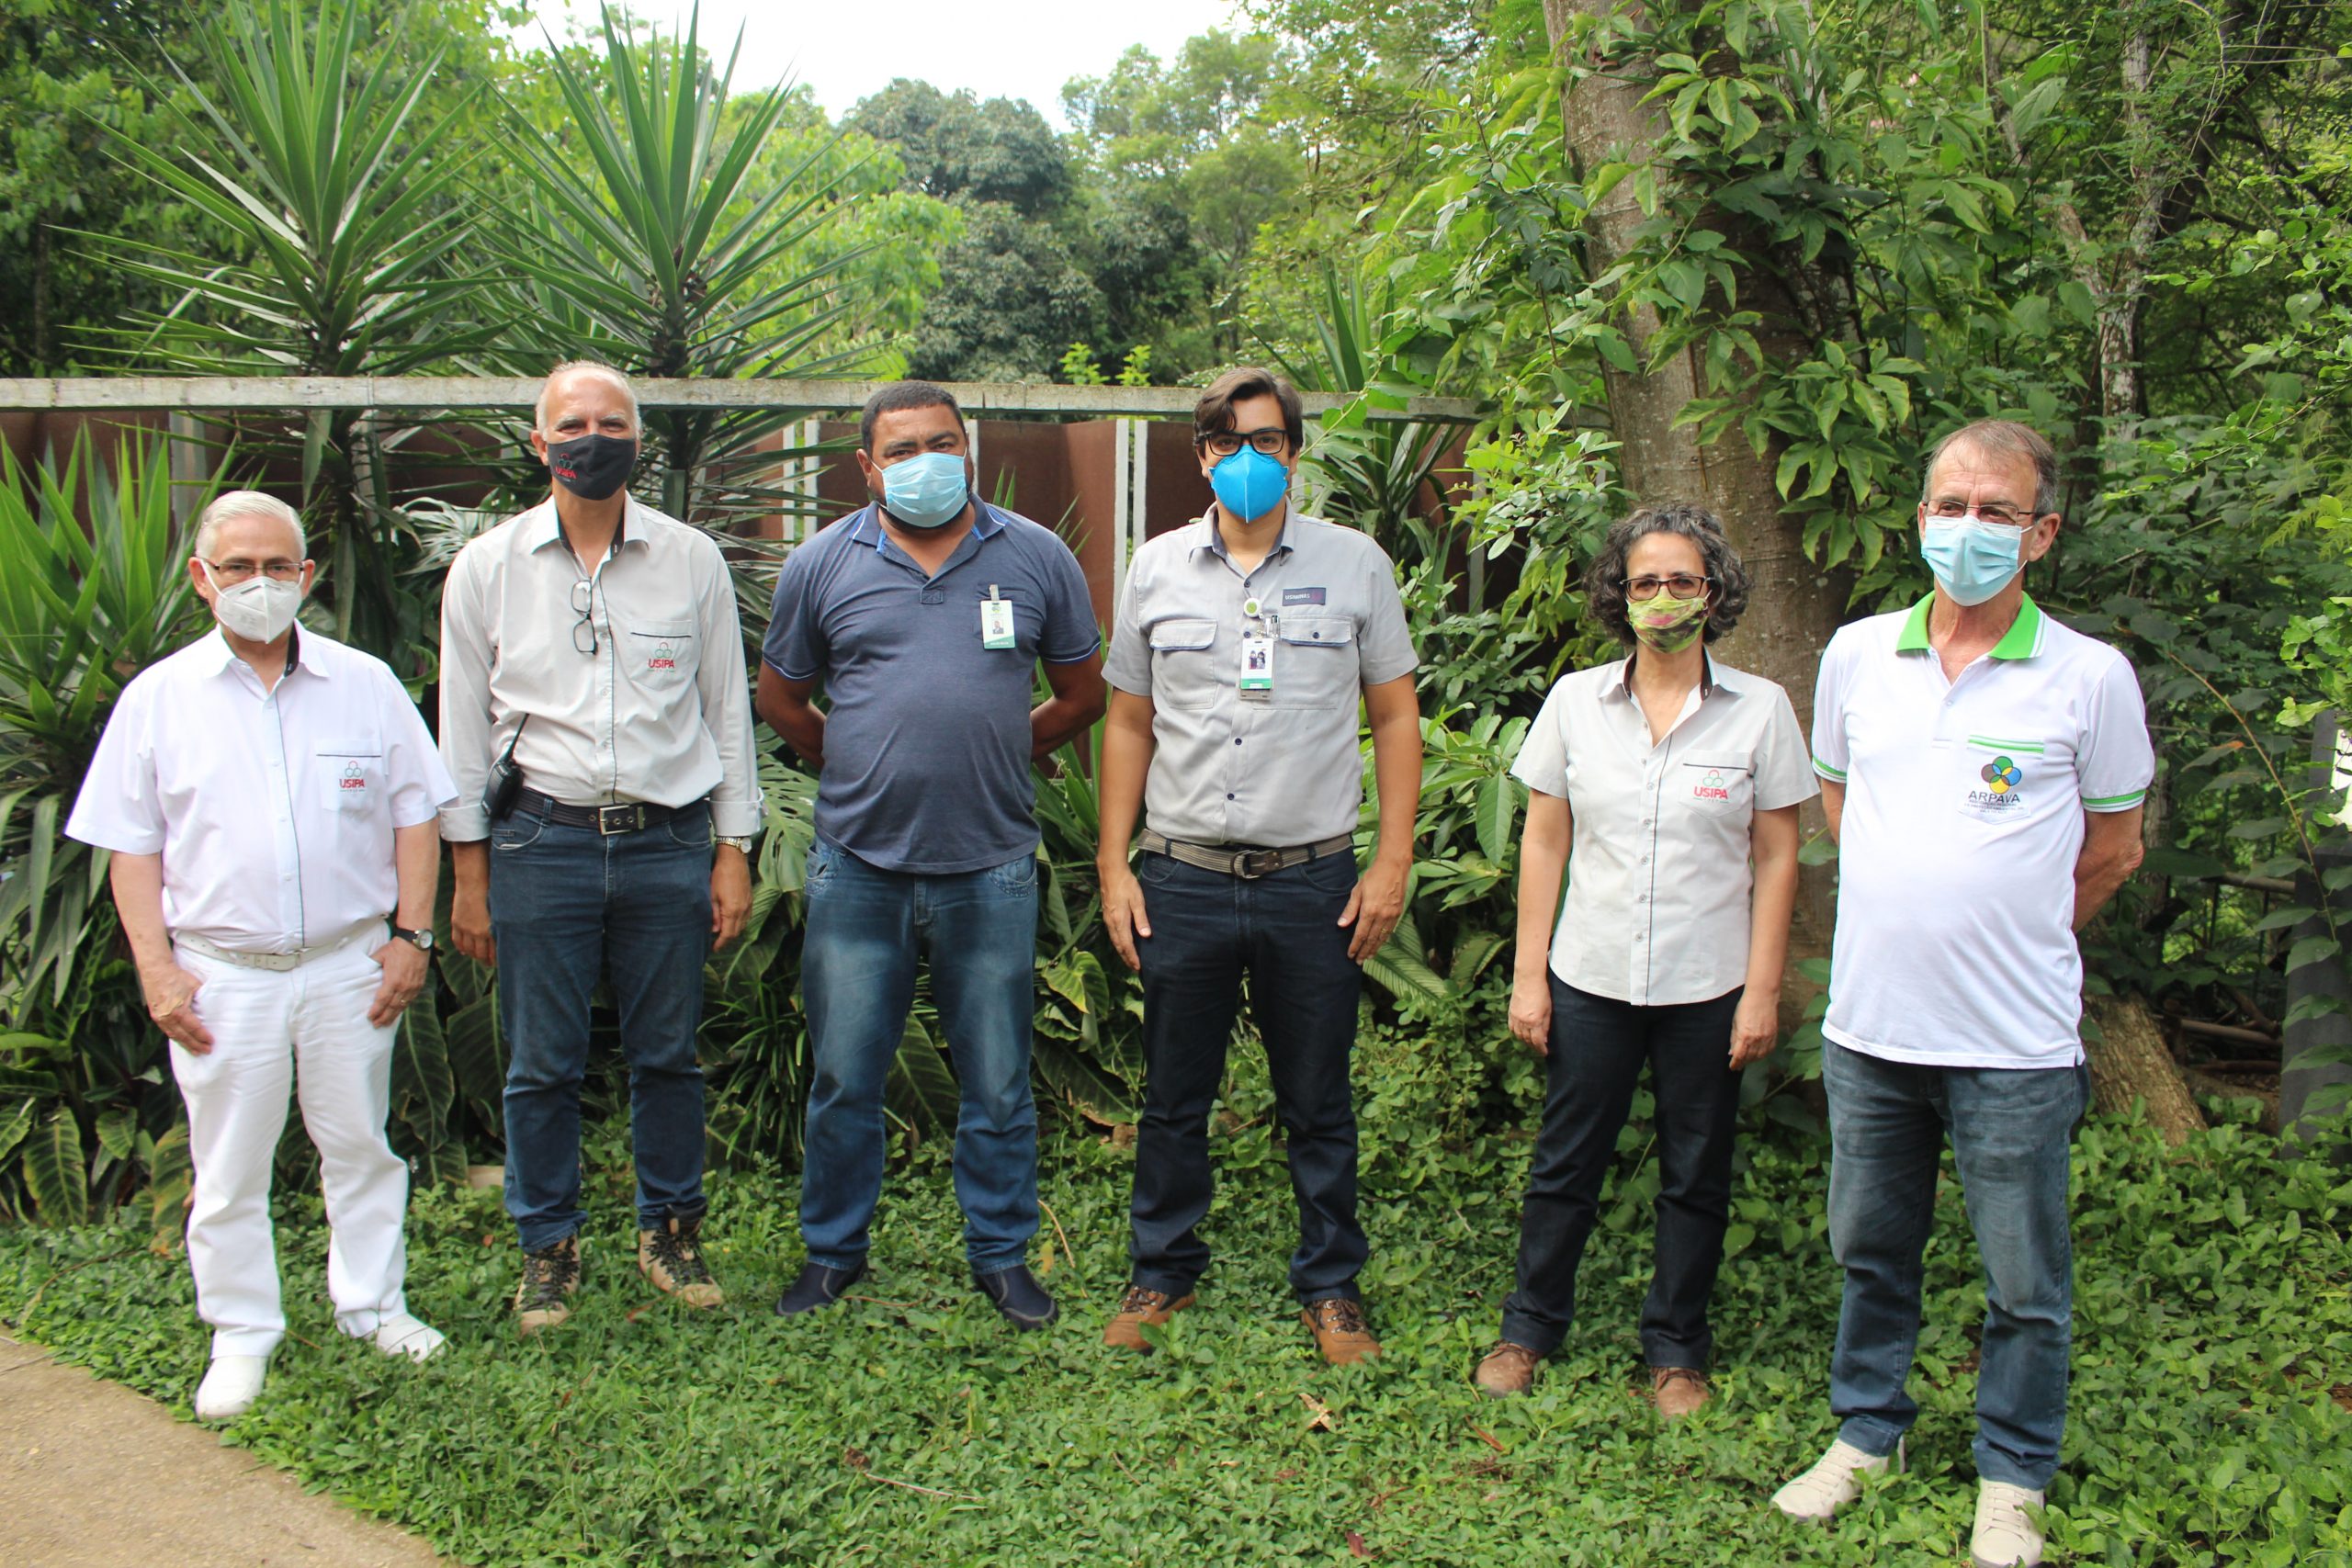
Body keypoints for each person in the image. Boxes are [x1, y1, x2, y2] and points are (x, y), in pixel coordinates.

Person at [1773, 420, 2154, 1568]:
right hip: (1872, 1030)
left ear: (2041, 534)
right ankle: (1867, 1431)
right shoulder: (1855, 656)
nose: (1969, 529)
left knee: (2025, 1281)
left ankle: (2011, 1473)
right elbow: (1840, 804)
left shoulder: (2089, 676)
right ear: (1919, 518)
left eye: (1997, 512)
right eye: (1951, 506)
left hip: (2013, 1046)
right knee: (1869, 1247)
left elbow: (2113, 850)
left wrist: (2009, 932)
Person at [66, 490, 455, 1421]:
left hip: (348, 965)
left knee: (360, 1147)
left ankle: (375, 1306)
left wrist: (412, 938)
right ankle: (241, 1331)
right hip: (222, 976)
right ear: (201, 580)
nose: (259, 582)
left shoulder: (364, 684)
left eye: (278, 565)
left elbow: (416, 815)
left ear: (306, 575)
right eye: (237, 567)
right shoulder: (159, 700)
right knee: (230, 1165)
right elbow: (132, 847)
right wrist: (157, 970)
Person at [757, 379, 1105, 1330]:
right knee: (845, 1078)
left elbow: (1082, 693)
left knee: (996, 1080)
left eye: (942, 443)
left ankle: (1001, 1254)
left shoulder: (1034, 556)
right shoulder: (820, 565)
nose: (925, 462)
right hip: (858, 865)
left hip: (989, 864)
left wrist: (1002, 747)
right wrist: (853, 761)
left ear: (969, 448)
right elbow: (782, 700)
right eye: (902, 450)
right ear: (867, 467)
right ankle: (833, 1252)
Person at [1095, 366, 1422, 1366]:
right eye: (1228, 441)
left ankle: (1331, 1286)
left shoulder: (1356, 564)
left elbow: (1395, 714)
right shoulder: (1155, 568)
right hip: (1183, 875)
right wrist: (1113, 863)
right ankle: (1161, 1271)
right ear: (1202, 455)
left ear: (1294, 451)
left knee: (1317, 1098)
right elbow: (1127, 721)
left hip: (1310, 881)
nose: (1249, 458)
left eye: (1268, 439)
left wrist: (1392, 859)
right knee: (1172, 1093)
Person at [439, 360, 762, 1335]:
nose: (593, 438)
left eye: (612, 423)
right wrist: (468, 873)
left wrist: (733, 846)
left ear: (639, 439)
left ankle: (671, 1230)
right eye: (573, 423)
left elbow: (727, 709)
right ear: (539, 442)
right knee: (541, 1062)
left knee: (667, 1055)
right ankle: (548, 1247)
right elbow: (461, 732)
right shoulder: (487, 567)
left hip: (667, 841)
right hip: (541, 841)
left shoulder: (690, 559)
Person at [1472, 502, 1813, 1417]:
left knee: (1696, 1171)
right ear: (1618, 596)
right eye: (1645, 582)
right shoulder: (1576, 703)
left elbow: (1778, 855)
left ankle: (1676, 1349)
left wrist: (1761, 991)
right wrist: (1529, 975)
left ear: (1714, 593)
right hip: (1591, 977)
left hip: (1709, 985)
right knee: (1565, 1162)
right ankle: (1527, 1329)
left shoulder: (1760, 712)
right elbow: (1544, 841)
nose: (1663, 598)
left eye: (1682, 581)